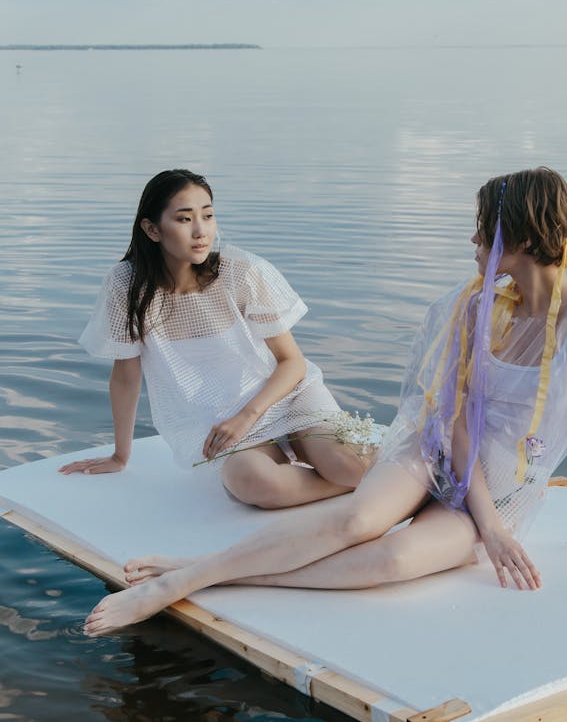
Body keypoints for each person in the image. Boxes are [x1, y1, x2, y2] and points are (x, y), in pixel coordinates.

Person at [82, 167, 567, 637]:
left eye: (485, 231)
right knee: (355, 520)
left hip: (503, 488)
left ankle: (197, 571)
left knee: (391, 561)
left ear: (518, 238)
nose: (474, 241)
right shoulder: (475, 306)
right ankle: (181, 580)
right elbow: (453, 424)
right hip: (433, 454)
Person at [60, 169, 369, 508]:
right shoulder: (126, 287)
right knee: (257, 485)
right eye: (184, 219)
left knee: (350, 467)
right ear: (152, 229)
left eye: (208, 215)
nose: (201, 231)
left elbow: (291, 362)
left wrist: (246, 416)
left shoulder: (241, 271)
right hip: (217, 422)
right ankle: (356, 483)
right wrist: (121, 455)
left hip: (285, 396)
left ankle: (351, 474)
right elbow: (126, 375)